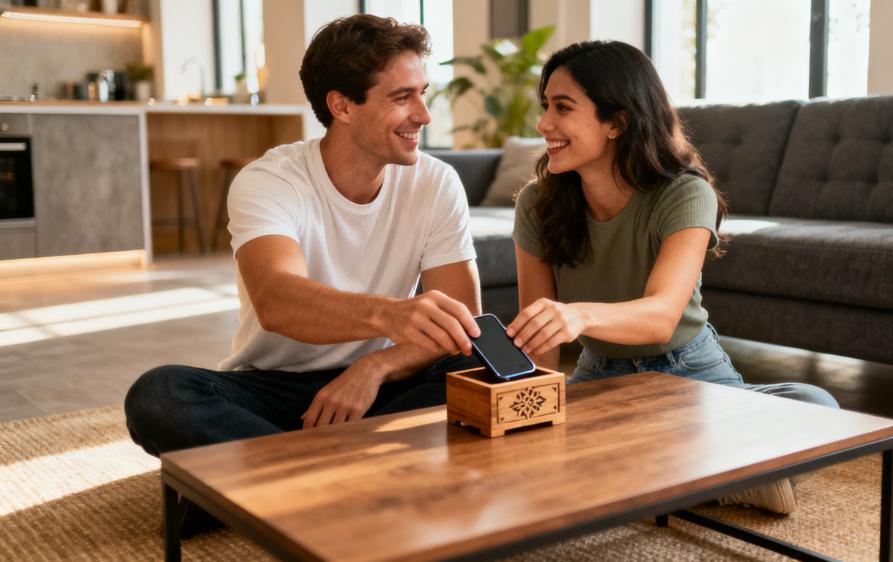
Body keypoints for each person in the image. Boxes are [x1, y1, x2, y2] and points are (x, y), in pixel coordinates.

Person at [124, 14, 482, 533]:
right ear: (341, 105)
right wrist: (392, 315)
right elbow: (277, 300)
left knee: (477, 374)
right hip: (273, 390)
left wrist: (373, 369)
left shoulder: (436, 183)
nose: (423, 115)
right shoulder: (269, 180)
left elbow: (463, 320)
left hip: (384, 386)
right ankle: (356, 479)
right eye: (402, 97)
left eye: (423, 93)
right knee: (160, 395)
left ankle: (257, 483)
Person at [507, 40, 839, 515]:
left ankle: (662, 471)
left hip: (689, 370)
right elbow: (539, 342)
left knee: (816, 404)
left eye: (562, 108)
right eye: (546, 107)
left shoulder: (684, 193)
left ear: (618, 122)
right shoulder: (536, 203)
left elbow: (662, 316)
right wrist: (534, 419)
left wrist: (576, 315)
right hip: (601, 374)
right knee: (530, 456)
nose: (544, 125)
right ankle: (713, 475)